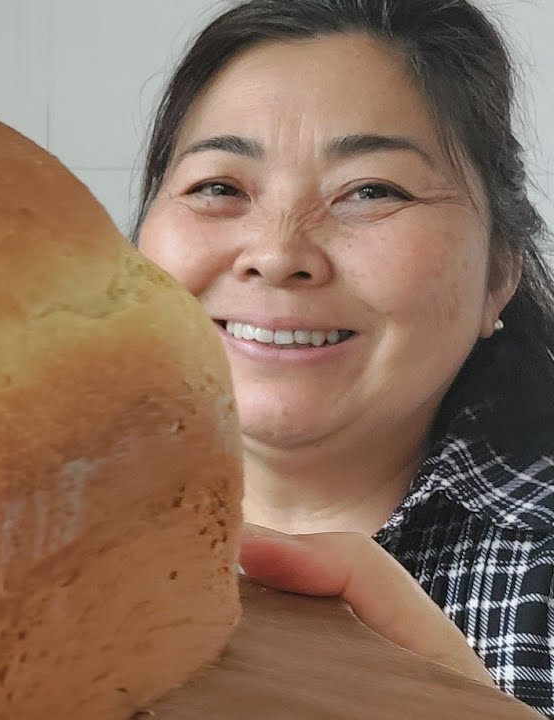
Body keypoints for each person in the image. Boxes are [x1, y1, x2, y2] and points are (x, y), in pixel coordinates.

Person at [131, 0, 554, 715]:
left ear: (499, 275)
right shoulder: (8, 529)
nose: (276, 254)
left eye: (370, 191)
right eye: (219, 187)